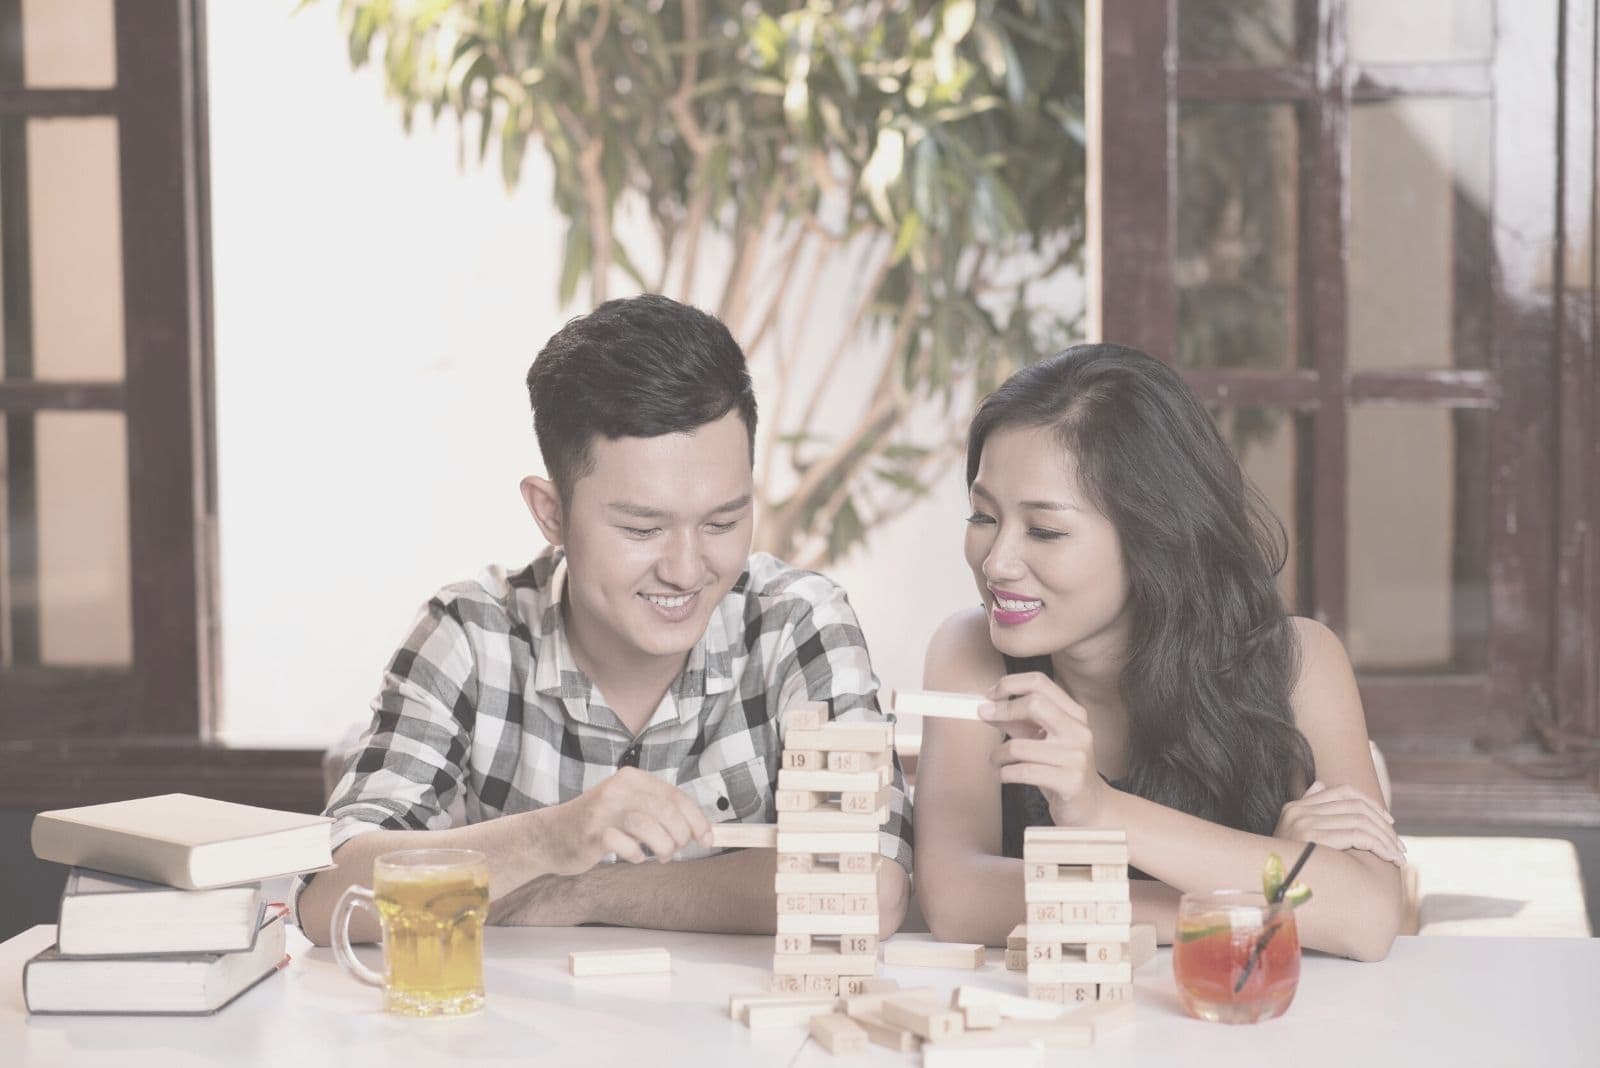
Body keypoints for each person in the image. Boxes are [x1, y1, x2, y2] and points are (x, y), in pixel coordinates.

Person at [297, 295, 911, 944]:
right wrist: (552, 838)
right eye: (642, 528)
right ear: (551, 512)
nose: (685, 569)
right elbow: (330, 899)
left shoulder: (797, 624)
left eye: (723, 522)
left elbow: (870, 886)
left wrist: (580, 892)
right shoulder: (471, 638)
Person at [913, 343, 1402, 961]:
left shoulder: (1298, 661)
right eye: (983, 516)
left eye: (1045, 530)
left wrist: (1099, 810)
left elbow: (1366, 915)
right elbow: (957, 900)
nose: (997, 561)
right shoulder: (970, 653)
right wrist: (1254, 898)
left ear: (1155, 536)